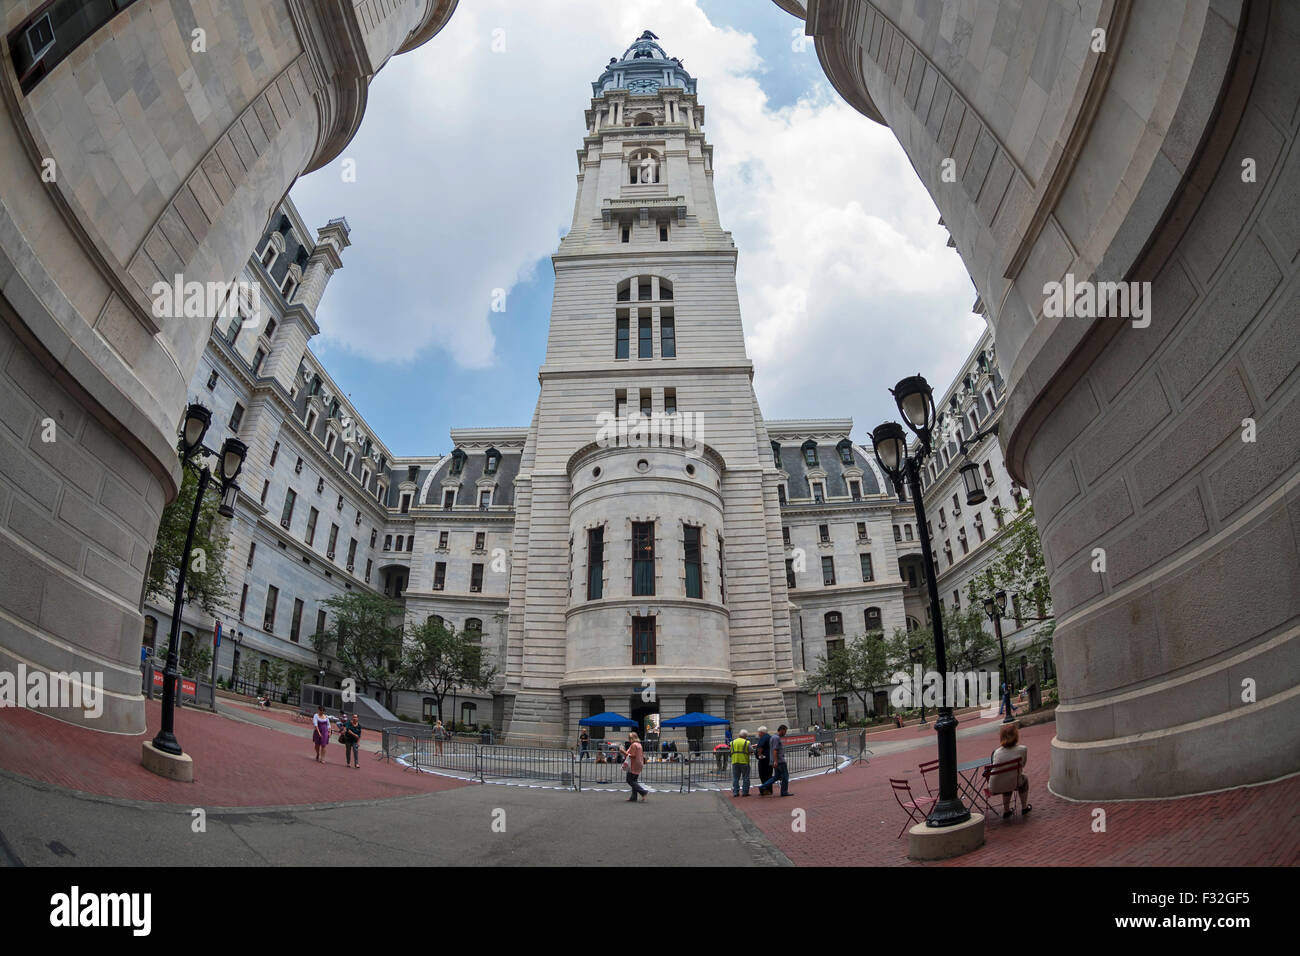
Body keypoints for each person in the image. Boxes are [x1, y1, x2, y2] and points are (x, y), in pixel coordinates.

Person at [988, 722, 1031, 818]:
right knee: (1022, 779)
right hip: (1013, 781)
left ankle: (1006, 810)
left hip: (995, 786)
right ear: (1016, 735)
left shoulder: (996, 752)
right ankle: (1024, 807)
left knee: (1006, 777)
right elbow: (1022, 765)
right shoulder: (1023, 749)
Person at [757, 725, 791, 796]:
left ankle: (763, 786)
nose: (785, 733)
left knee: (776, 777)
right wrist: (775, 761)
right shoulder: (776, 738)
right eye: (785, 731)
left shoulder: (773, 737)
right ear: (782, 730)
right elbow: (775, 750)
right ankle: (784, 792)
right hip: (780, 761)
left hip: (776, 761)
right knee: (785, 776)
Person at [620, 731, 649, 801]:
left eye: (630, 738)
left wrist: (623, 752)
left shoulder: (633, 745)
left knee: (629, 780)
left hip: (633, 764)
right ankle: (633, 797)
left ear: (632, 738)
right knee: (634, 780)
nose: (629, 740)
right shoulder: (639, 744)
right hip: (639, 763)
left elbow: (633, 756)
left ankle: (643, 791)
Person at [730, 730, 752, 797]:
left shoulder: (732, 742)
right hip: (744, 761)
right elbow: (751, 751)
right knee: (745, 777)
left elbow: (730, 752)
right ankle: (745, 792)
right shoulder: (747, 742)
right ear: (745, 736)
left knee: (735, 778)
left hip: (735, 761)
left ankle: (735, 792)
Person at [754, 726, 772, 795]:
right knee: (768, 774)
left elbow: (760, 747)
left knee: (763, 775)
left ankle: (765, 790)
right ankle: (768, 790)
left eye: (759, 732)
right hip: (768, 759)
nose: (758, 734)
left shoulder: (764, 737)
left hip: (764, 760)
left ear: (761, 732)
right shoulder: (769, 737)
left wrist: (759, 755)